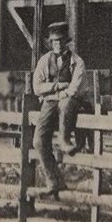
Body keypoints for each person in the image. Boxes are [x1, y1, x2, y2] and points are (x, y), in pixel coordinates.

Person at [32, 22, 87, 197]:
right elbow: (37, 87)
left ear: (66, 42)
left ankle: (64, 140)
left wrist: (64, 93)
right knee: (39, 141)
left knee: (66, 103)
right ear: (50, 42)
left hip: (69, 101)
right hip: (50, 100)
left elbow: (75, 87)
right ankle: (53, 180)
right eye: (54, 41)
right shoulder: (44, 60)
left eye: (60, 41)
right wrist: (56, 87)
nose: (57, 44)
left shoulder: (76, 62)